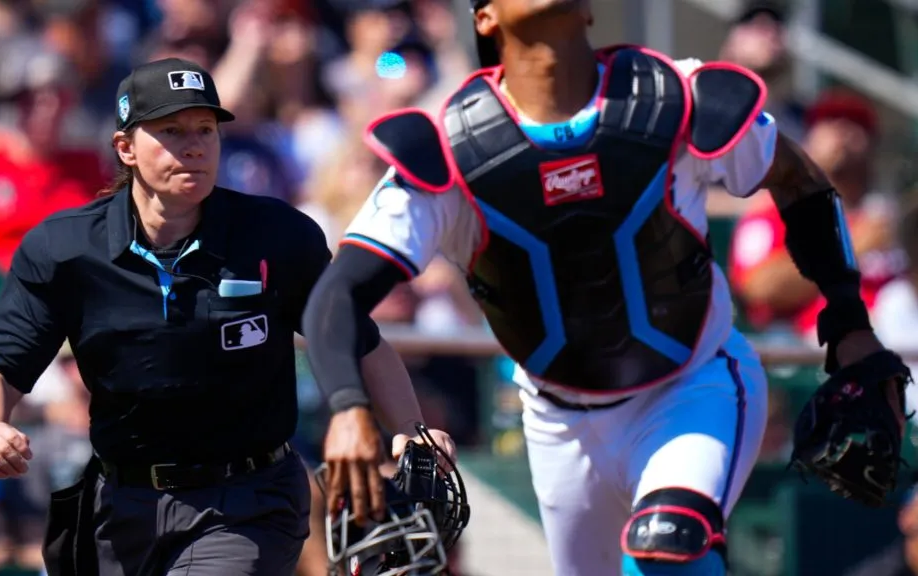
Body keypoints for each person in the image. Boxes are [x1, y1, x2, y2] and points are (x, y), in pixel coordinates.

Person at [301, 1, 907, 574]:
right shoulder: (448, 147)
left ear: (590, 9)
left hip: (691, 383)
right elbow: (338, 293)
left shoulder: (675, 96)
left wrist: (850, 323)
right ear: (484, 17)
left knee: (668, 544)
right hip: (558, 418)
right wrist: (349, 408)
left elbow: (799, 180)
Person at [0, 57, 454, 576]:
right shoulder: (64, 248)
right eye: (171, 131)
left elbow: (357, 339)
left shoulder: (276, 235)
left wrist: (410, 429)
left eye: (205, 130)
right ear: (125, 148)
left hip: (248, 499)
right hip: (120, 505)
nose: (193, 146)